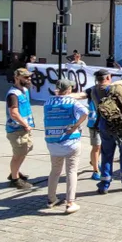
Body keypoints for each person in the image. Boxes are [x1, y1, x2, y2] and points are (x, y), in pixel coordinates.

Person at [90, 69, 122, 194]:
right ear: (108, 78)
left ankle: (104, 184)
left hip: (104, 125)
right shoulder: (117, 88)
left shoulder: (94, 91)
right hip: (121, 124)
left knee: (106, 154)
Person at [43, 78, 88, 214]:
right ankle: (70, 202)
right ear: (68, 90)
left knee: (55, 170)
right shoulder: (72, 102)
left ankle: (51, 198)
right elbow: (85, 112)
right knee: (71, 171)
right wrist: (75, 126)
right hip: (70, 142)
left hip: (52, 142)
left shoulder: (48, 102)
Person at [5, 68, 35, 190]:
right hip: (16, 129)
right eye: (26, 77)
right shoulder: (13, 94)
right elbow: (14, 113)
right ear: (17, 78)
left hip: (24, 128)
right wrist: (25, 124)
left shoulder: (25, 90)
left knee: (26, 148)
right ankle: (15, 179)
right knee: (19, 153)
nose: (29, 79)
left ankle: (15, 171)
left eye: (29, 77)